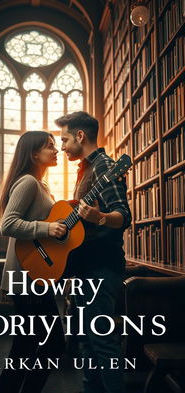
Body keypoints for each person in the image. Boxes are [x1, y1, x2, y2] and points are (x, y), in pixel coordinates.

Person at [55, 111, 132, 393]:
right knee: (87, 341)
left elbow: (123, 215)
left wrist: (99, 217)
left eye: (64, 140)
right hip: (86, 268)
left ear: (80, 136)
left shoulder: (104, 167)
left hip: (102, 267)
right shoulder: (86, 169)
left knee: (102, 342)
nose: (62, 147)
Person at [0, 131, 66, 393]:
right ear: (34, 154)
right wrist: (47, 229)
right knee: (47, 343)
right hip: (26, 277)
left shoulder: (41, 185)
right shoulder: (27, 182)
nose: (56, 150)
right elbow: (8, 224)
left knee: (27, 345)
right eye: (49, 147)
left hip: (34, 275)